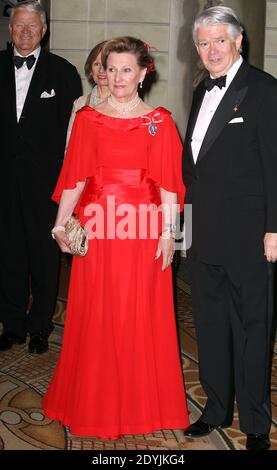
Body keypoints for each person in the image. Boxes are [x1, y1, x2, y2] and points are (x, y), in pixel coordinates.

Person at [42, 36, 189, 439]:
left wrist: (170, 236)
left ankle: (141, 407)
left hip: (142, 229)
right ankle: (93, 403)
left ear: (144, 73)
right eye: (113, 68)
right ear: (103, 71)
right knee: (97, 314)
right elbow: (74, 177)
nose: (118, 76)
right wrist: (59, 224)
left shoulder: (160, 121)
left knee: (140, 315)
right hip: (97, 231)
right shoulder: (89, 118)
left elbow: (170, 187)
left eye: (128, 69)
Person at [182, 6, 277, 450]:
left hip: (249, 236)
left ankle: (256, 420)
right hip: (205, 234)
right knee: (211, 325)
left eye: (220, 40)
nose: (211, 50)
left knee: (252, 329)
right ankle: (216, 407)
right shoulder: (201, 90)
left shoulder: (263, 90)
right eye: (203, 43)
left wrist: (274, 228)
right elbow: (195, 169)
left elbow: (275, 166)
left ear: (239, 41)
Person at [0, 1, 82, 354]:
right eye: (20, 25)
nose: (25, 31)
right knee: (8, 255)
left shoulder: (63, 72)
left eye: (33, 26)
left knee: (45, 259)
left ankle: (39, 328)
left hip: (46, 186)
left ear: (43, 30)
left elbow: (74, 135)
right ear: (10, 28)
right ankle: (13, 325)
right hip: (3, 183)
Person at [66, 41, 110, 146]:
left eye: (106, 64)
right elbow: (70, 144)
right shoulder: (80, 103)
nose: (101, 70)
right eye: (97, 64)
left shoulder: (125, 104)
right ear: (90, 69)